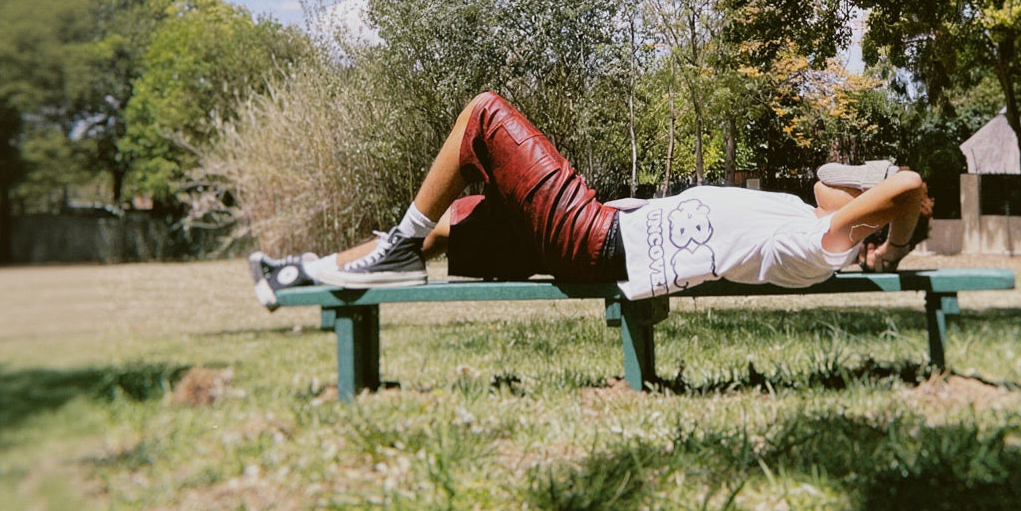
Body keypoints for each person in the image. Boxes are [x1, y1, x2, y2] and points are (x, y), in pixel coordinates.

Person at [250, 92, 931, 309]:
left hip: (599, 238)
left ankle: (394, 249)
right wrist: (879, 189)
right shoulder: (808, 219)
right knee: (454, 228)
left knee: (484, 115)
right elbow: (826, 177)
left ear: (864, 228)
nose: (850, 193)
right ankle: (309, 270)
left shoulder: (819, 246)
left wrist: (894, 245)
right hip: (605, 235)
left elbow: (908, 188)